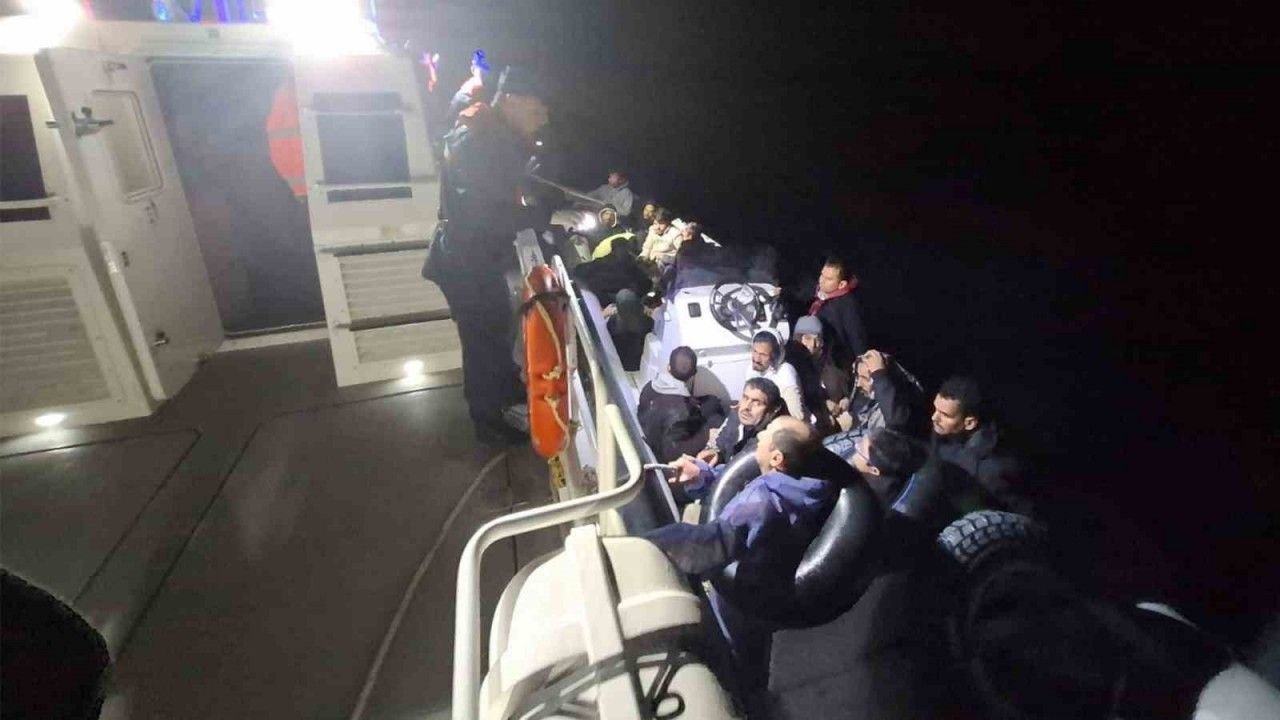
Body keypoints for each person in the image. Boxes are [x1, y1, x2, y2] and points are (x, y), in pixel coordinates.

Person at [646, 416, 836, 690]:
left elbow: (711, 545)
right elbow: (736, 481)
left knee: (736, 673)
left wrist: (647, 545)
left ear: (777, 458)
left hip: (742, 603)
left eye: (767, 433)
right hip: (772, 599)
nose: (759, 436)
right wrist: (701, 474)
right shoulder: (807, 485)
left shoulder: (761, 501)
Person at [424, 66, 549, 444]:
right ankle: (490, 424)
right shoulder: (477, 140)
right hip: (465, 258)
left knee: (495, 332)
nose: (542, 121)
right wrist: (543, 215)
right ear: (509, 101)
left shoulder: (490, 135)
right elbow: (482, 214)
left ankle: (507, 401)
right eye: (536, 111)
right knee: (483, 341)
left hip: (477, 256)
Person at [931, 376, 1034, 516]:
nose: (934, 418)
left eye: (945, 415)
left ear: (969, 423)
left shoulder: (993, 470)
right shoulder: (946, 432)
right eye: (935, 409)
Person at [823, 348, 926, 461]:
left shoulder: (901, 403)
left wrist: (879, 374)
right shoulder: (869, 398)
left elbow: (895, 422)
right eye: (858, 377)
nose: (858, 384)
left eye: (865, 378)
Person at [637, 347, 727, 461]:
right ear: (693, 374)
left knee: (712, 401)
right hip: (660, 451)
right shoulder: (684, 412)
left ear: (668, 367)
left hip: (654, 428)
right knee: (716, 418)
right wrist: (706, 436)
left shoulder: (649, 387)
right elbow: (672, 453)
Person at [785, 315, 850, 434]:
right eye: (807, 338)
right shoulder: (792, 367)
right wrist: (824, 405)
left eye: (817, 339)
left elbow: (847, 387)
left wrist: (846, 399)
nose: (813, 344)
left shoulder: (832, 363)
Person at [699, 377, 785, 466]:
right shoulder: (735, 417)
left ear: (772, 410)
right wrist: (716, 455)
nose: (746, 407)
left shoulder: (772, 440)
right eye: (745, 398)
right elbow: (720, 446)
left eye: (757, 403)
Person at [809, 256, 868, 368]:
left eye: (829, 279)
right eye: (822, 275)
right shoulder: (819, 294)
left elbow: (856, 338)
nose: (822, 281)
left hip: (834, 364)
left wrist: (861, 365)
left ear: (842, 284)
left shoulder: (848, 305)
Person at [746, 329, 806, 419]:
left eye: (763, 355)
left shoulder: (786, 373)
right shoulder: (752, 368)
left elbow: (797, 417)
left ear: (775, 355)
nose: (756, 359)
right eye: (755, 351)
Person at [606, 289, 653, 371]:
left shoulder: (611, 324)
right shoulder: (648, 323)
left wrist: (604, 314)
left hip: (621, 365)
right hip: (640, 365)